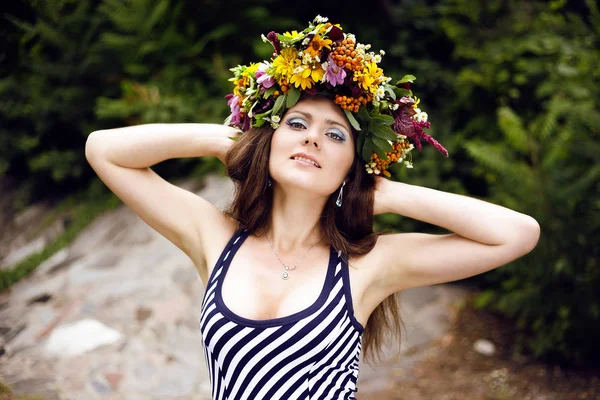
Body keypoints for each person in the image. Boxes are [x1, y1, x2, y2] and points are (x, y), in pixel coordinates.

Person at [85, 15, 540, 400]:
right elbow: (103, 149)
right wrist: (226, 142)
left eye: (336, 134)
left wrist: (382, 193)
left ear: (351, 165)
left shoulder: (368, 265)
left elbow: (517, 233)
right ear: (271, 139)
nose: (312, 137)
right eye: (297, 122)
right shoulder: (216, 238)